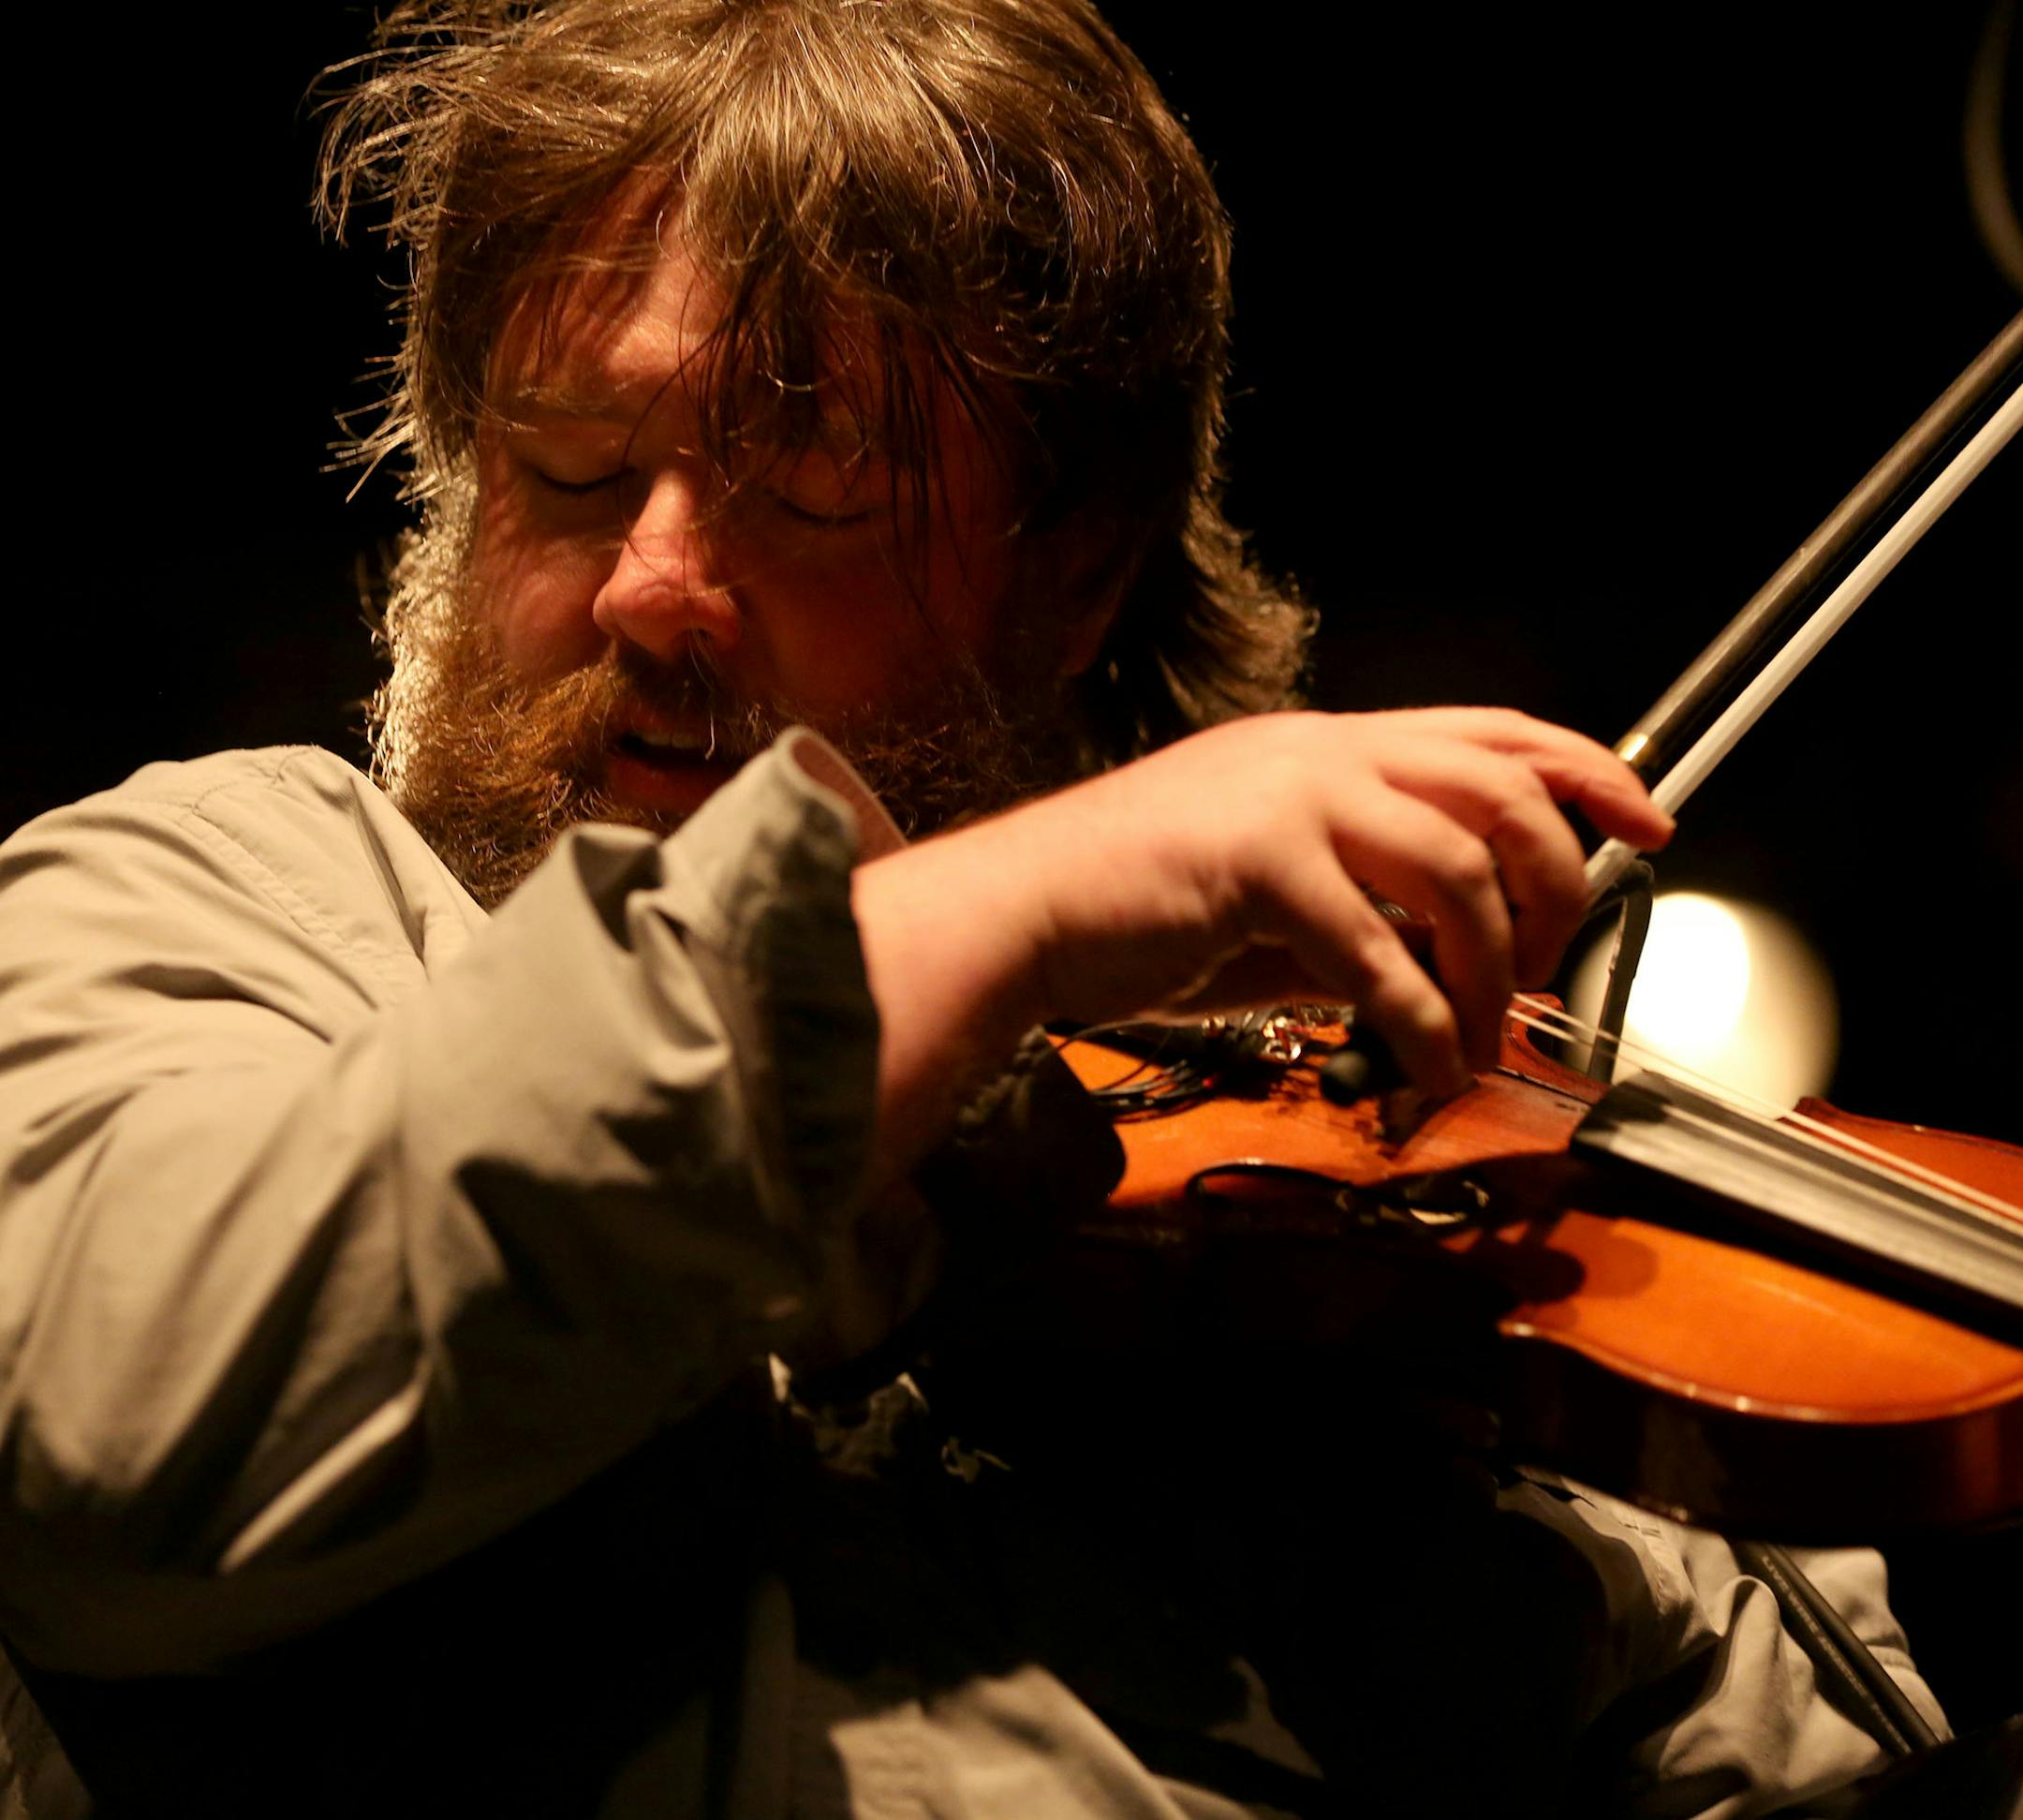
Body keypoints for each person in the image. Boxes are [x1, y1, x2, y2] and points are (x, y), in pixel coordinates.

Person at [0, 1, 1954, 1813]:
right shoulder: (228, 899)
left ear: (1073, 574)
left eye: (812, 483)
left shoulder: (1338, 1244)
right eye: (571, 468)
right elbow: (123, 1440)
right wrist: (1025, 899)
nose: (651, 589)